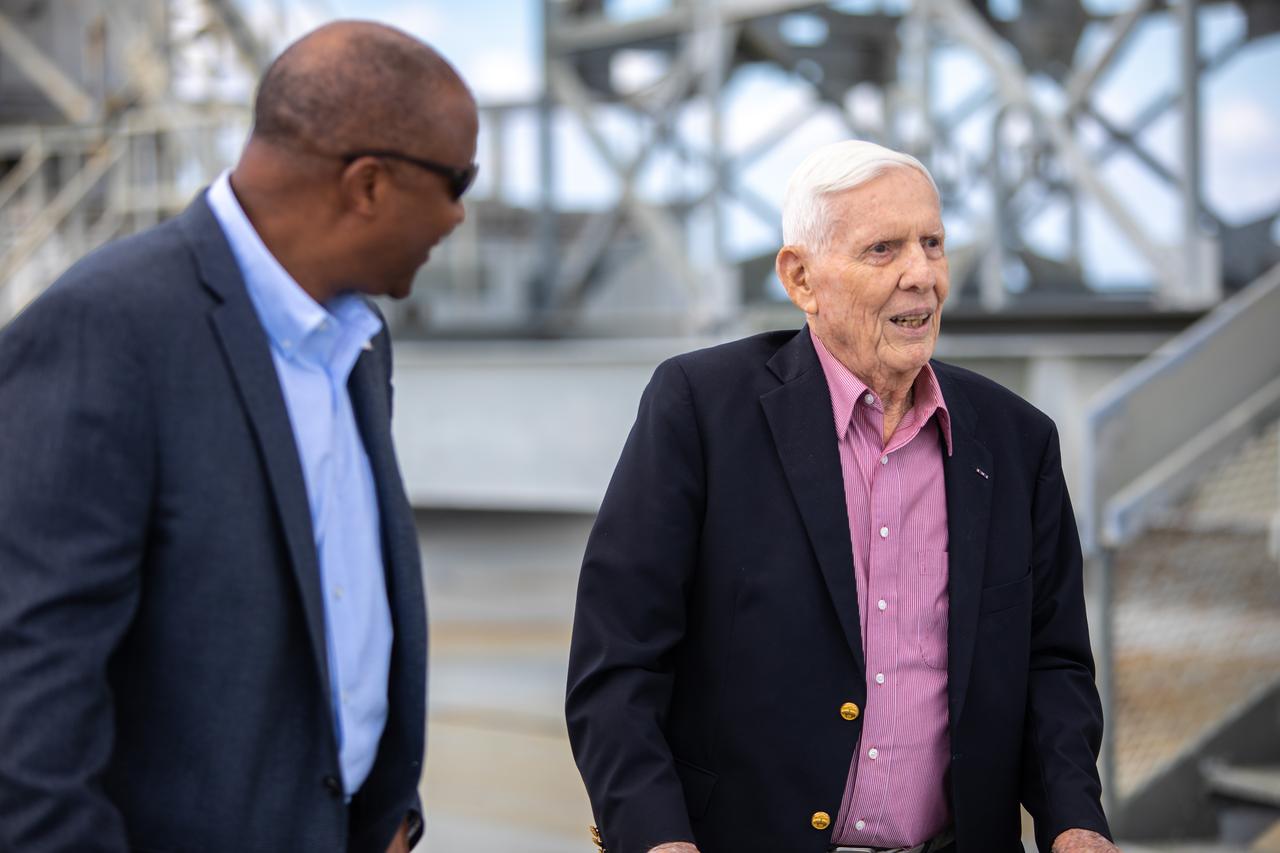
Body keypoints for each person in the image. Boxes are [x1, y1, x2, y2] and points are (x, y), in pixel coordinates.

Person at [0, 21, 477, 852]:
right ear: (368, 184)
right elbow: (26, 705)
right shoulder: (106, 330)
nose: (460, 215)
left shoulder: (358, 341)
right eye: (457, 180)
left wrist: (388, 810)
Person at [565, 140, 1118, 853]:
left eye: (933, 243)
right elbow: (619, 663)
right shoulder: (699, 409)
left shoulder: (1017, 441)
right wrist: (656, 838)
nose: (921, 275)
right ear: (801, 278)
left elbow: (1054, 665)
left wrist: (1076, 819)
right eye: (883, 250)